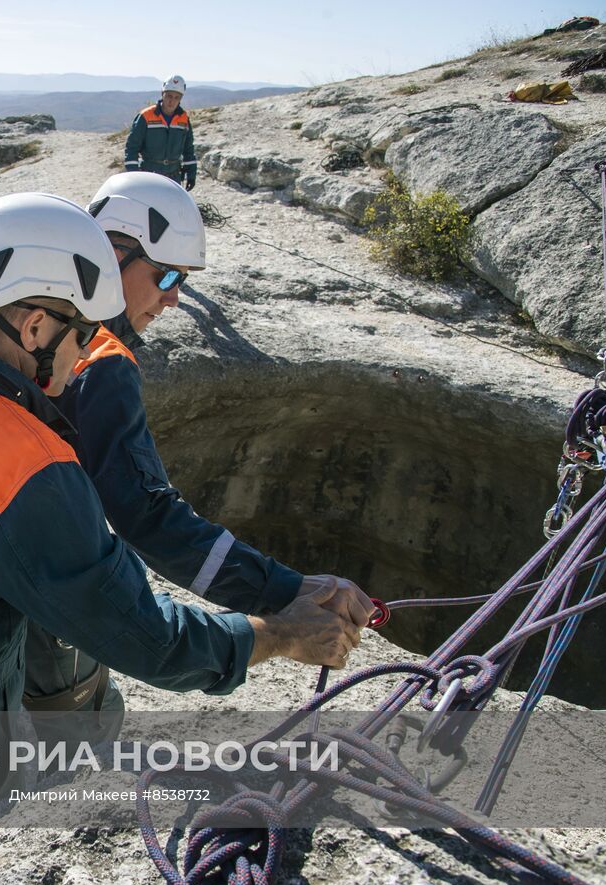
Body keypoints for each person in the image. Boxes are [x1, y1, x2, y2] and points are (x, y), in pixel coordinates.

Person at [0, 192, 363, 845]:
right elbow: (148, 637)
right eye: (84, 332)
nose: (88, 350)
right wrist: (276, 633)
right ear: (34, 327)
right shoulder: (31, 469)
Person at [22, 171, 374, 738]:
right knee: (78, 736)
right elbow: (147, 515)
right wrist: (283, 592)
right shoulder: (100, 362)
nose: (173, 297)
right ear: (112, 254)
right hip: (39, 609)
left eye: (180, 281)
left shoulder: (23, 323)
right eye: (165, 275)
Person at [125, 76, 198, 190]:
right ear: (162, 94)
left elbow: (188, 149)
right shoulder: (146, 116)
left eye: (176, 97)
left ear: (180, 99)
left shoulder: (183, 119)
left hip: (174, 177)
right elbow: (132, 147)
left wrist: (191, 175)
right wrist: (134, 174)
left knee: (172, 207)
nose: (172, 101)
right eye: (169, 96)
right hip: (149, 176)